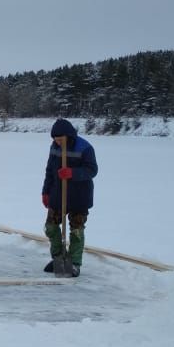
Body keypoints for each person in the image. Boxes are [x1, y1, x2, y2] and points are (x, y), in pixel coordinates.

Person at [41, 118, 98, 276]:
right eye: (55, 140)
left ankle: (74, 263)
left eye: (60, 139)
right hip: (58, 195)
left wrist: (72, 173)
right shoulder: (54, 148)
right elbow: (49, 171)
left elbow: (92, 170)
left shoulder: (85, 148)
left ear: (68, 136)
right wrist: (45, 191)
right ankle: (59, 258)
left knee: (76, 231)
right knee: (51, 227)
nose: (57, 142)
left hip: (80, 197)